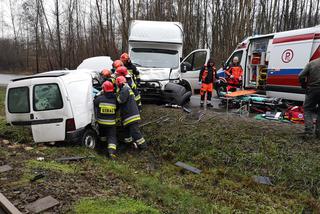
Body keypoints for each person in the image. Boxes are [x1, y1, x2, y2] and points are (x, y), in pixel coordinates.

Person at [116, 76, 146, 149]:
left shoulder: (125, 89)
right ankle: (128, 145)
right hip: (128, 115)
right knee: (126, 132)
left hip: (131, 115)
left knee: (135, 132)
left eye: (117, 84)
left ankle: (143, 146)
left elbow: (120, 100)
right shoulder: (126, 88)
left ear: (120, 83)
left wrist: (115, 95)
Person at [94, 81, 118, 158]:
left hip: (101, 122)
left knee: (102, 135)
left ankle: (102, 148)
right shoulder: (115, 99)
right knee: (112, 137)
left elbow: (94, 103)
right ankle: (111, 152)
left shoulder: (99, 99)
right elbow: (117, 108)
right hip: (111, 123)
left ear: (103, 89)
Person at [298, 57, 320, 138]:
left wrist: (304, 85)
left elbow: (300, 75)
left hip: (313, 89)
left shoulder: (312, 63)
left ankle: (309, 132)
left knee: (308, 109)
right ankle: (319, 133)